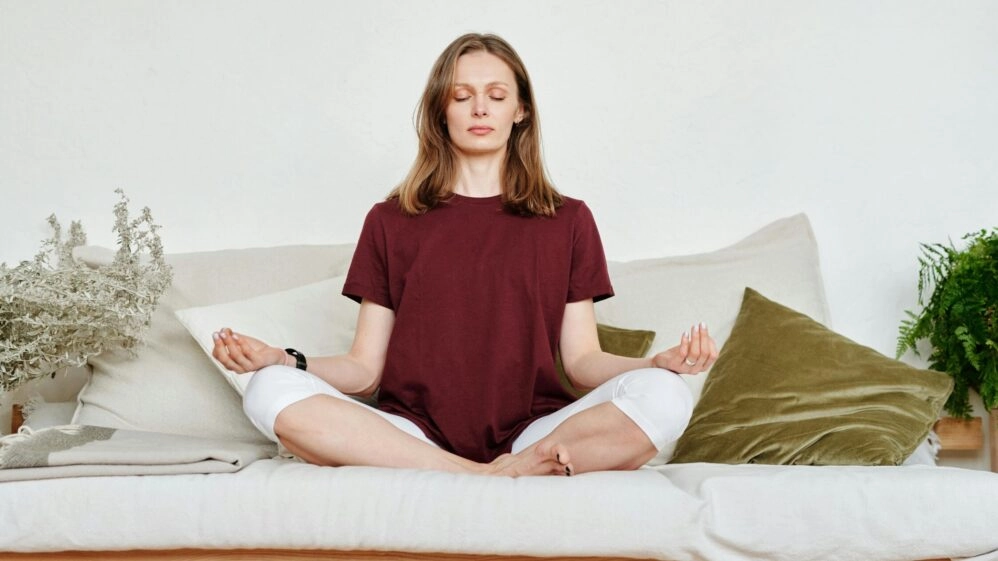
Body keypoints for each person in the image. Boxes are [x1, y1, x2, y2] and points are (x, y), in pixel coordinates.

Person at [211, 33, 717, 477]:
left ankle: (506, 464)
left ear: (519, 112)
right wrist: (282, 359)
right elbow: (365, 370)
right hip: (412, 434)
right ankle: (482, 474)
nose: (480, 109)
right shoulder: (390, 220)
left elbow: (582, 362)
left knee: (667, 396)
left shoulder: (568, 220)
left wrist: (656, 364)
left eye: (496, 96)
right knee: (268, 389)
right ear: (441, 110)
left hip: (532, 431)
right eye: (462, 96)